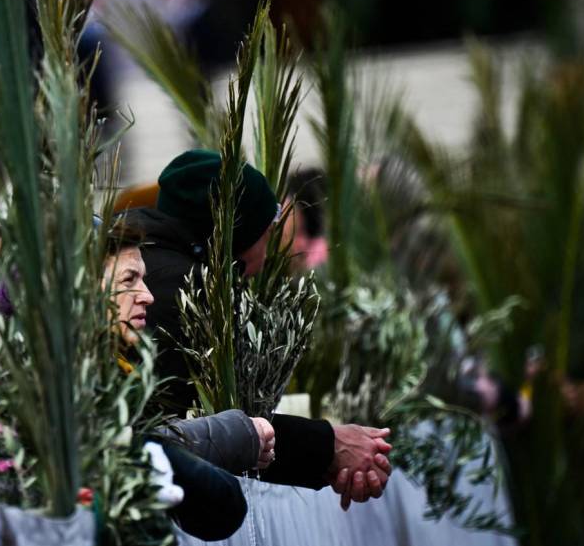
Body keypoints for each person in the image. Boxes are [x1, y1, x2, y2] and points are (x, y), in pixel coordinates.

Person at [123, 149, 392, 509]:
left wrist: (328, 451)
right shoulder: (186, 291)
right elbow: (207, 424)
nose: (267, 257)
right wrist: (329, 447)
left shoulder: (159, 262)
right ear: (236, 232)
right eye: (266, 235)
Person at [103, 222, 276, 539]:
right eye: (130, 279)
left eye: (143, 278)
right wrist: (237, 433)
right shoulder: (65, 383)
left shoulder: (123, 369)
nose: (148, 296)